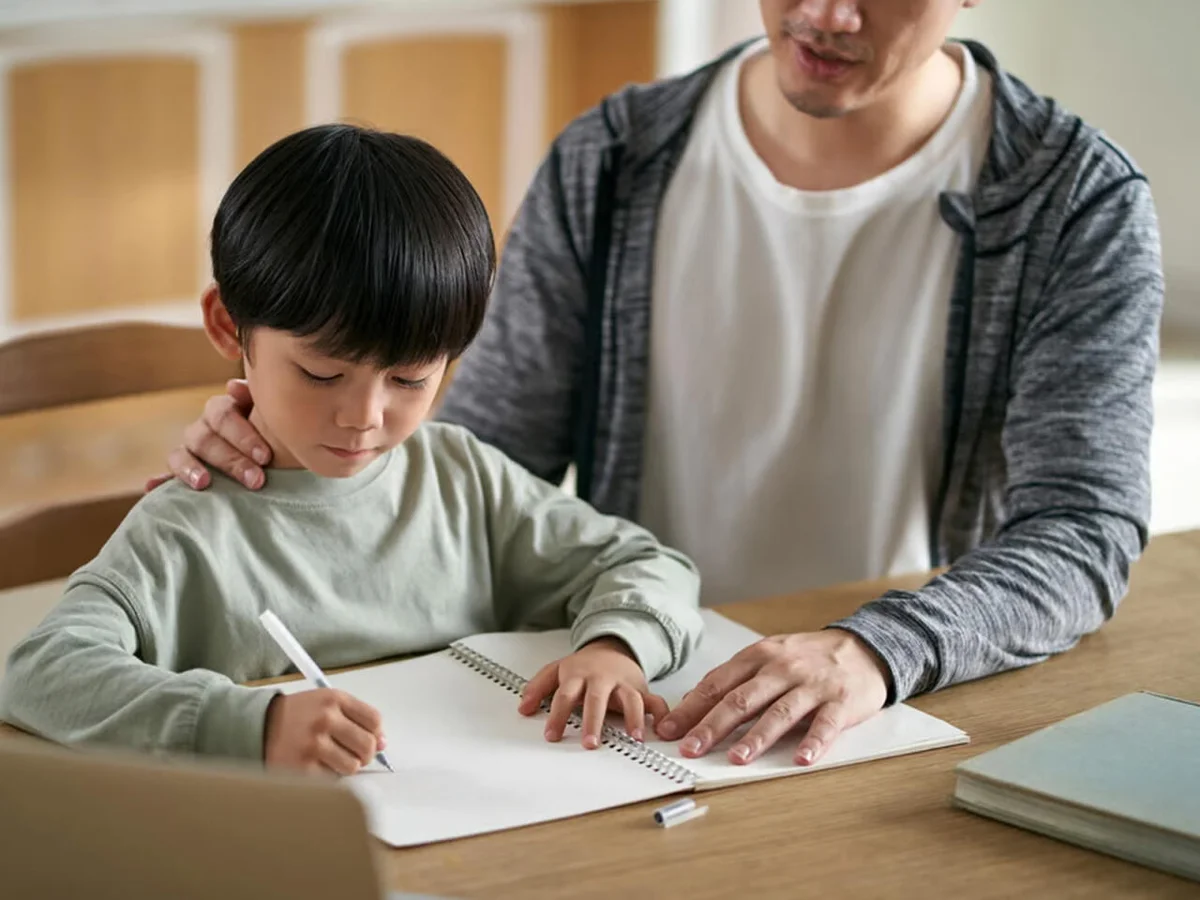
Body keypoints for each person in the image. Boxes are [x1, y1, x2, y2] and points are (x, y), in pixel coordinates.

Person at [160, 1, 1164, 771]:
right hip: (634, 700)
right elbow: (480, 466)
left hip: (899, 706)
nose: (827, 15)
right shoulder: (613, 161)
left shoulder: (1073, 203)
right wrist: (298, 450)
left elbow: (1082, 531)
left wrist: (873, 652)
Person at [0, 124, 704, 775]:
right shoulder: (187, 530)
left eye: (410, 378)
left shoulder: (462, 478)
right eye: (322, 374)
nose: (364, 416)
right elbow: (38, 673)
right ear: (226, 325)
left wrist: (616, 648)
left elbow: (645, 564)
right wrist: (251, 725)